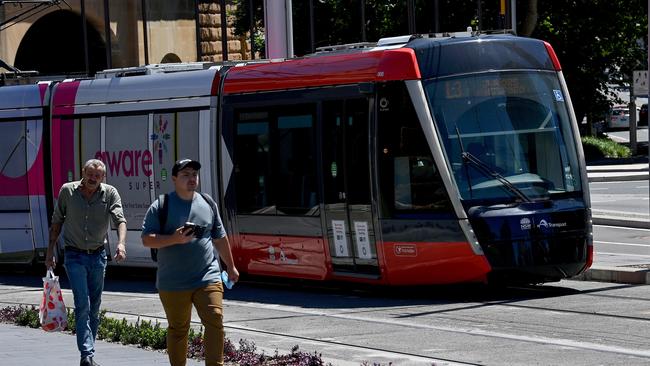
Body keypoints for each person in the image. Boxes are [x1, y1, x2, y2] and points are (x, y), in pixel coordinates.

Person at [141, 158, 239, 366]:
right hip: (173, 281)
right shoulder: (161, 205)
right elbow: (146, 239)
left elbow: (219, 237)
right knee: (178, 329)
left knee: (215, 318)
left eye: (194, 174)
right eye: (185, 175)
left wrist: (230, 266)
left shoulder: (207, 202)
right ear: (174, 179)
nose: (192, 178)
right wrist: (173, 239)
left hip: (207, 275)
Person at [45, 159, 127, 366]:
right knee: (83, 304)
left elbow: (120, 220)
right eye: (90, 174)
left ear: (103, 178)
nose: (93, 179)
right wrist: (50, 252)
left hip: (98, 256)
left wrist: (121, 244)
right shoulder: (67, 191)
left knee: (95, 306)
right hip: (74, 256)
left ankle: (89, 352)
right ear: (83, 172)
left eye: (97, 176)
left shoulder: (109, 193)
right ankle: (86, 355)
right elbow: (57, 221)